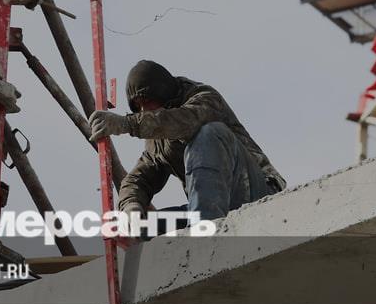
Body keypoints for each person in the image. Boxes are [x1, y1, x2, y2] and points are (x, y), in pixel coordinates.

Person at [87, 60, 287, 222]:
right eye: (138, 107)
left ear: (162, 94)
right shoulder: (158, 140)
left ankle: (205, 231)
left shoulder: (205, 99)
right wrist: (131, 207)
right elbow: (140, 176)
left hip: (258, 193)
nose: (143, 111)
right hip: (213, 208)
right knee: (147, 226)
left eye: (146, 102)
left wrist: (127, 124)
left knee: (209, 133)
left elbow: (183, 122)